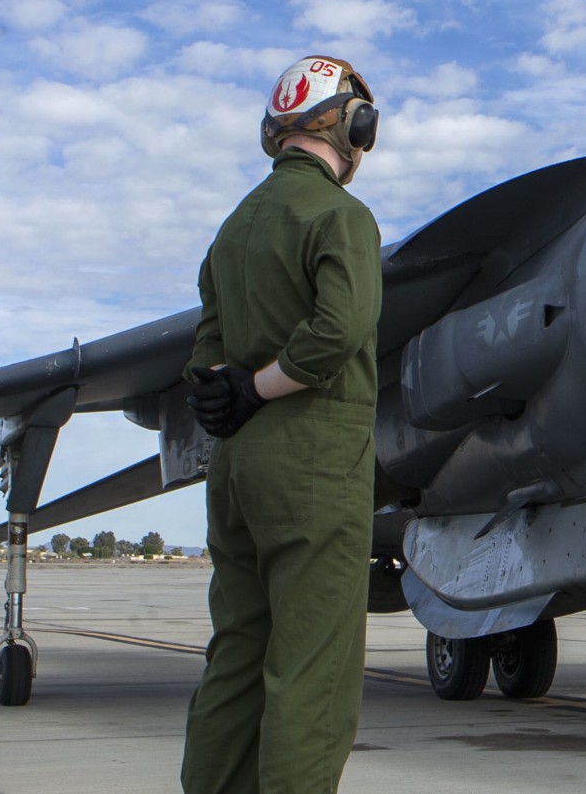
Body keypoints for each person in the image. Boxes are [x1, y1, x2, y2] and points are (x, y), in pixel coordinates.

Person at [180, 54, 384, 794]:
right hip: (313, 465)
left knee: (236, 653)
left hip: (236, 470)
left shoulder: (235, 228)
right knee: (312, 672)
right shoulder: (341, 218)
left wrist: (226, 393)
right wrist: (265, 387)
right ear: (351, 124)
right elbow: (339, 331)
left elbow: (205, 350)